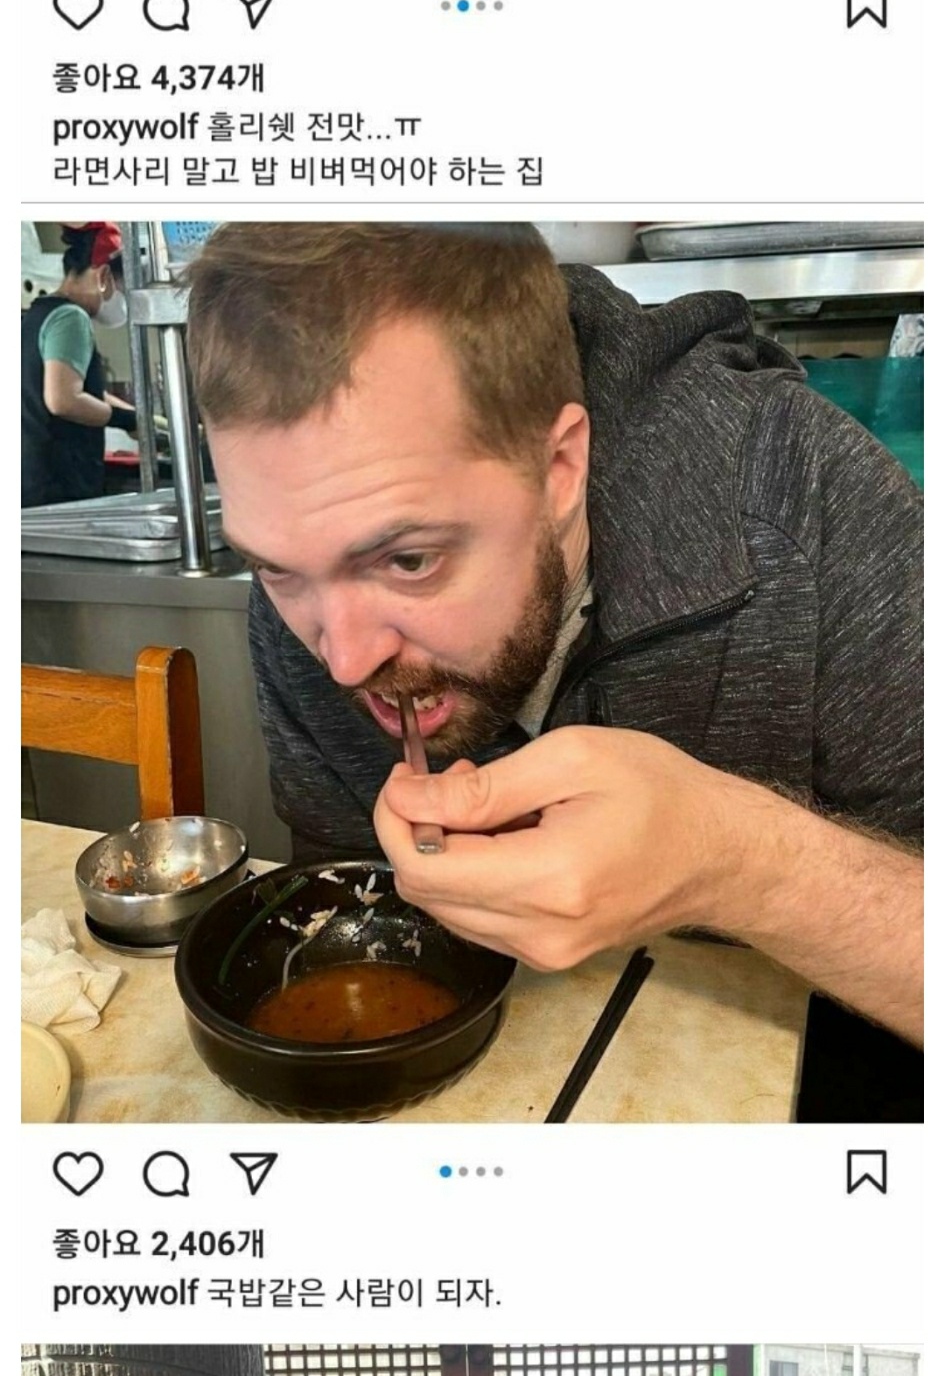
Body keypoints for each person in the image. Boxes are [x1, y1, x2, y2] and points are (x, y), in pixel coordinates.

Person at [185, 222, 923, 1052]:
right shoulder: (312, 580)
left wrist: (734, 860)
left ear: (560, 466)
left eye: (410, 559)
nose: (345, 660)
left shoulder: (806, 507)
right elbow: (349, 923)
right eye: (274, 568)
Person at [21, 222, 137, 508]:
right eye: (122, 287)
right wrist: (122, 420)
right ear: (103, 276)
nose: (121, 298)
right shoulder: (71, 317)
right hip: (57, 489)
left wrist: (139, 418)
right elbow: (63, 399)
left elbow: (82, 388)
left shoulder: (38, 313)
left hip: (32, 483)